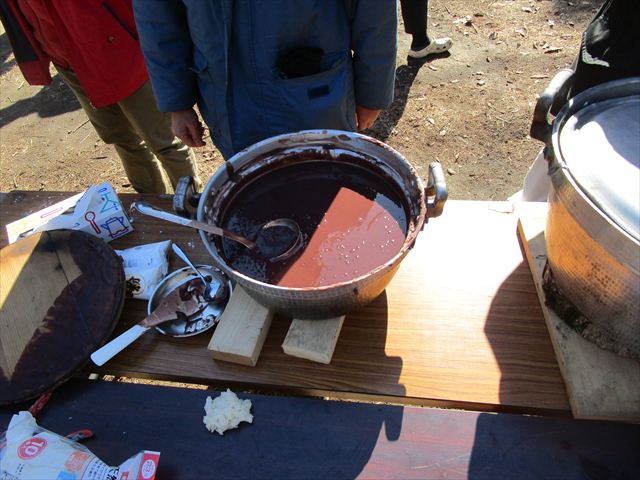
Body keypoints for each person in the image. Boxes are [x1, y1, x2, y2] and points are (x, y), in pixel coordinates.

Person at [132, 0, 397, 159]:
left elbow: (375, 13)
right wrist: (177, 101)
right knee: (254, 203)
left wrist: (372, 93)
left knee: (326, 195)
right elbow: (157, 18)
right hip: (228, 106)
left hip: (315, 98)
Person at [0, 0, 202, 194]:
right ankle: (148, 208)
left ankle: (192, 209)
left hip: (120, 49)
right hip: (69, 61)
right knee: (122, 138)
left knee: (164, 140)